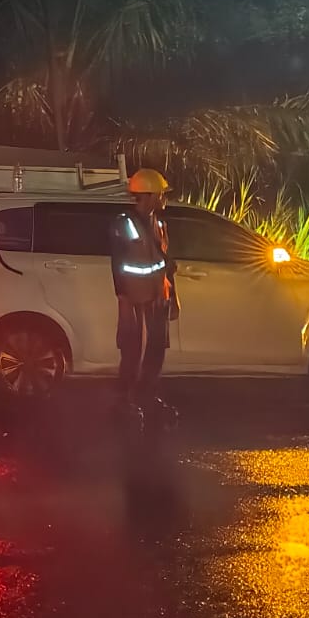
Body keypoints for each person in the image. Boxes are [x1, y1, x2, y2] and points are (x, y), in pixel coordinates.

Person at [109, 167, 178, 426]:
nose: (163, 198)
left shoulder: (159, 223)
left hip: (157, 297)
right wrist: (123, 298)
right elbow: (118, 262)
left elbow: (162, 264)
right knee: (132, 350)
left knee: (157, 348)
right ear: (148, 195)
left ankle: (147, 396)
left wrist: (171, 295)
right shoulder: (124, 223)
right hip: (133, 297)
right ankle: (123, 400)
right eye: (160, 193)